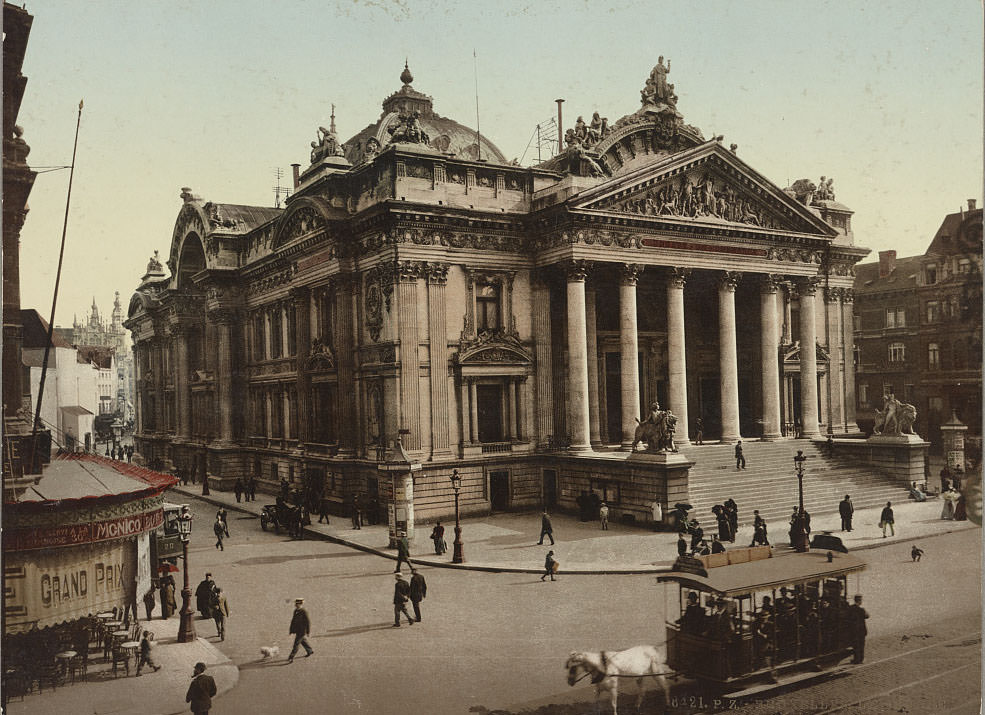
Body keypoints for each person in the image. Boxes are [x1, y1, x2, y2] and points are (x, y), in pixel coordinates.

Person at [848, 595, 869, 663]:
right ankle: (860, 659)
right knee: (861, 645)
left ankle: (856, 659)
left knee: (855, 645)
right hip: (861, 630)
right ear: (859, 601)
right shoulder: (861, 610)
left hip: (854, 630)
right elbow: (867, 616)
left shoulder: (851, 608)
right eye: (861, 600)